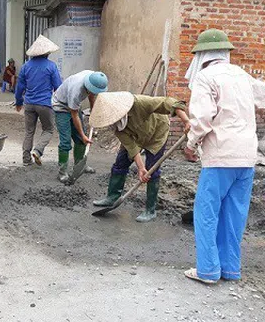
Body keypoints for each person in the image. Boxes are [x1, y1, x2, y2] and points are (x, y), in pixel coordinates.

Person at [182, 29, 265, 284]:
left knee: (207, 213)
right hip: (247, 156)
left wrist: (191, 143)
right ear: (225, 52)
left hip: (220, 156)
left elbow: (203, 119)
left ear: (201, 55)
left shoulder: (205, 78)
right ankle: (230, 269)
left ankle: (207, 270)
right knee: (234, 215)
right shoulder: (243, 75)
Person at [90, 92, 190, 222]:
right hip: (136, 137)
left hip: (157, 134)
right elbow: (132, 147)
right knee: (120, 163)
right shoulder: (116, 126)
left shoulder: (139, 103)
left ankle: (150, 209)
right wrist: (140, 168)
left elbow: (169, 102)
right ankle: (112, 197)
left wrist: (186, 121)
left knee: (152, 170)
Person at [52, 70, 108, 183]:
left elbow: (92, 95)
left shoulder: (94, 78)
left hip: (73, 106)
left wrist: (93, 111)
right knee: (66, 141)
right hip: (61, 106)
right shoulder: (76, 91)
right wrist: (83, 135)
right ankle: (62, 172)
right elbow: (74, 115)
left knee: (81, 141)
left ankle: (79, 165)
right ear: (88, 86)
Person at [15, 35, 62, 166]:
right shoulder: (51, 66)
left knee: (29, 131)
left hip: (29, 103)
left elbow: (20, 87)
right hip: (45, 104)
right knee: (48, 130)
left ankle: (26, 159)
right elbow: (58, 87)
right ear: (47, 53)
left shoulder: (26, 66)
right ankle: (38, 150)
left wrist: (18, 102)